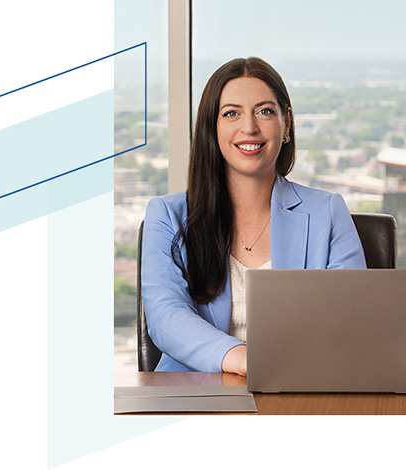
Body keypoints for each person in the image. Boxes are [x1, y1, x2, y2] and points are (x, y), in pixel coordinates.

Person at [141, 57, 366, 373]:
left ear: (286, 124)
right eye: (231, 113)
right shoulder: (167, 216)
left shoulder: (327, 212)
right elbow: (166, 316)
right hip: (193, 394)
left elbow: (349, 319)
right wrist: (247, 361)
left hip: (300, 389)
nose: (249, 127)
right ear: (211, 127)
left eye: (265, 111)